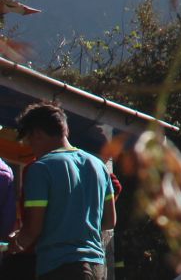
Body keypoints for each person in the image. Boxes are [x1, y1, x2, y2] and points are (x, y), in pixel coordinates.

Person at [7, 103, 115, 280]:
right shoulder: (98, 165)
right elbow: (110, 220)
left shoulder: (40, 168)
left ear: (38, 134)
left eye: (30, 141)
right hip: (97, 266)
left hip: (60, 267)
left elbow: (33, 228)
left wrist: (15, 242)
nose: (31, 149)